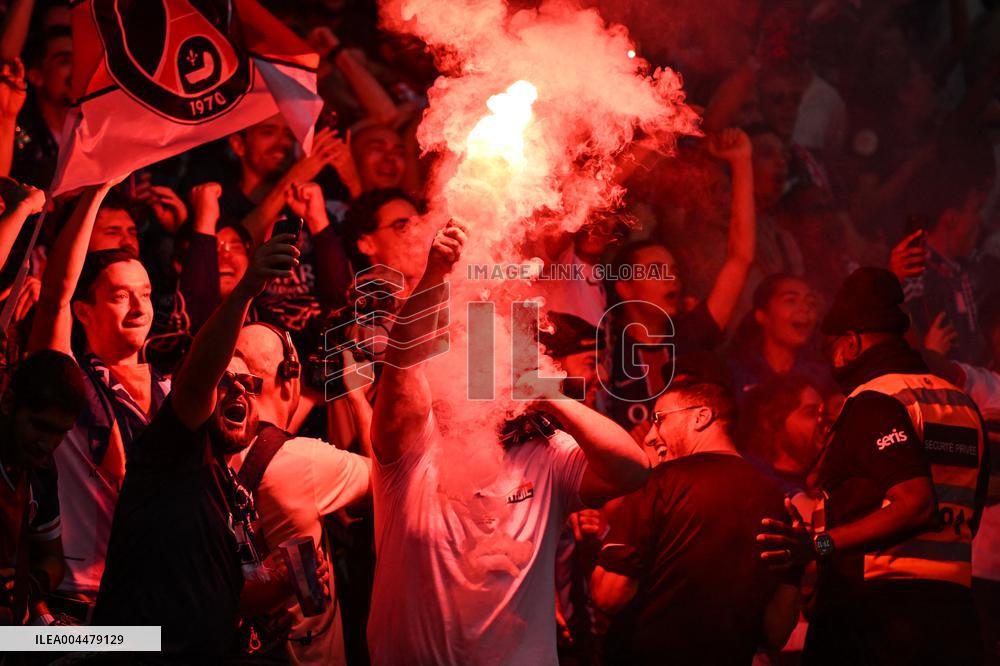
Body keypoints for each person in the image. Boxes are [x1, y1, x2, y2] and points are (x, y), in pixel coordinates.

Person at [366, 219, 649, 664]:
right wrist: (436, 274)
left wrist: (551, 399)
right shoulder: (412, 452)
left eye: (499, 355)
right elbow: (402, 366)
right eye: (469, 356)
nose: (483, 371)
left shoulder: (546, 454)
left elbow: (633, 468)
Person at [757, 267, 988, 665]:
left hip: (877, 620)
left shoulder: (875, 400)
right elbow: (970, 510)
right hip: (954, 618)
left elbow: (915, 503)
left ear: (851, 343)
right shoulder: (962, 404)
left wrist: (817, 546)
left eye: (830, 350)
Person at [93, 232, 301, 658]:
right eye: (224, 383)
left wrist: (282, 585)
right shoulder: (171, 454)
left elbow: (216, 601)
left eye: (248, 384)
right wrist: (247, 288)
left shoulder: (230, 489)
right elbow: (199, 375)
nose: (238, 392)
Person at [27, 183, 169, 621]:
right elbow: (54, 299)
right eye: (119, 296)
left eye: (144, 294)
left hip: (155, 596)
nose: (138, 307)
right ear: (84, 311)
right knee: (20, 648)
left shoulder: (172, 389)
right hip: (79, 604)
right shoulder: (70, 380)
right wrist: (99, 189)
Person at [591, 378, 801, 664]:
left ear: (701, 416)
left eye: (659, 419)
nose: (651, 436)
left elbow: (608, 595)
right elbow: (776, 633)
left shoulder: (661, 482)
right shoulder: (774, 499)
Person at [229, 322, 372, 665]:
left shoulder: (216, 449)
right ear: (288, 375)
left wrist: (304, 396)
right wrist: (356, 397)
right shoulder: (305, 461)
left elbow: (268, 443)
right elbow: (385, 481)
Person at [607, 129, 755, 434]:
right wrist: (650, 142)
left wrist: (741, 163)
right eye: (656, 270)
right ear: (625, 288)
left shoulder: (688, 337)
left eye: (673, 270)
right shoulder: (606, 346)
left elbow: (740, 259)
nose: (671, 278)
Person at [0, 350, 85, 626]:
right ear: (8, 402)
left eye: (60, 432)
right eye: (40, 426)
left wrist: (26, 588)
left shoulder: (41, 468)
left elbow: (53, 560)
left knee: (135, 642)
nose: (48, 444)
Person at [727, 273, 829, 401]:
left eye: (811, 303)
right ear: (762, 316)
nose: (805, 308)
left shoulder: (823, 378)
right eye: (791, 300)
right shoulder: (735, 373)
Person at [739, 374, 828, 493]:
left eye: (823, 413)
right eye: (811, 413)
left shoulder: (827, 476)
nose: (822, 421)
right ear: (773, 421)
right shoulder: (760, 487)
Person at [343, 187, 437, 294]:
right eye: (402, 226)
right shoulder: (365, 302)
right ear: (367, 244)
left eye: (419, 224)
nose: (418, 234)